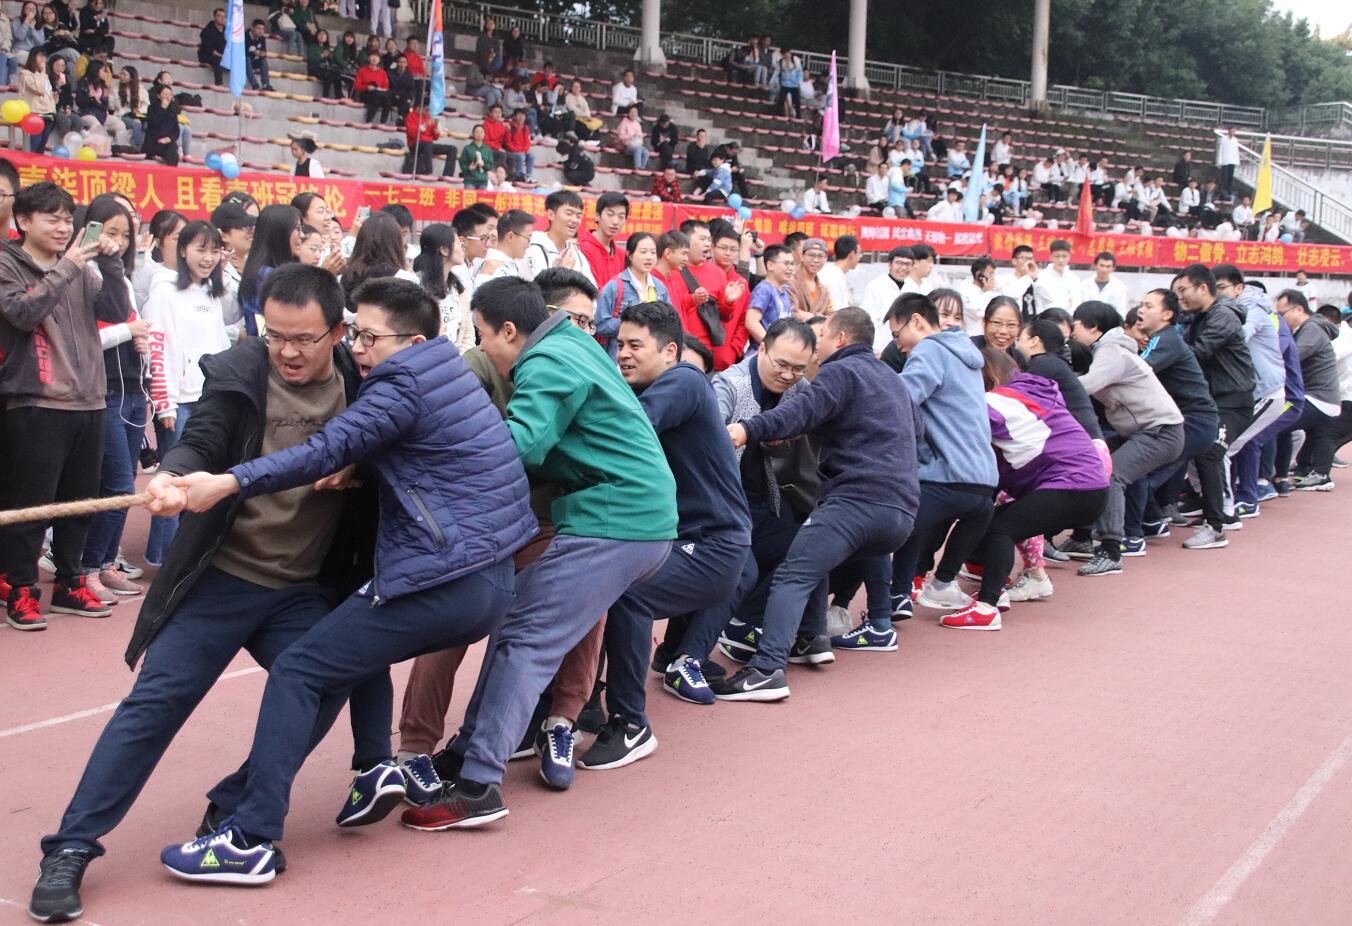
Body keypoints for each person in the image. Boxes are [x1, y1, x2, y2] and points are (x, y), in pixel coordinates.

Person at [25, 265, 398, 921]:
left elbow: (395, 448)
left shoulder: (363, 381)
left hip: (302, 588)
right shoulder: (241, 372)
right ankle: (71, 846)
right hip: (222, 578)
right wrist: (173, 476)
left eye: (304, 338)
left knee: (320, 686)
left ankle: (233, 805)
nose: (287, 351)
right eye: (276, 335)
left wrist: (358, 470)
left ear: (338, 333)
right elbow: (201, 439)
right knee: (153, 707)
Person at [154, 274, 536, 882]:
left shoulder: (400, 383)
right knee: (347, 654)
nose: (356, 347)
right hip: (486, 579)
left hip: (443, 579)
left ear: (411, 341)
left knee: (298, 671)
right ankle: (360, 769)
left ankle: (251, 838)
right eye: (355, 332)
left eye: (368, 337)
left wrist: (227, 482)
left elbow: (322, 449)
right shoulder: (448, 372)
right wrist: (360, 466)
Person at [401, 276, 675, 829]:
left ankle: (478, 786)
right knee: (515, 627)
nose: (481, 348)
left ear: (509, 329)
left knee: (525, 641)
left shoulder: (546, 361)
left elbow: (518, 445)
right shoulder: (572, 342)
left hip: (616, 520)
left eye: (482, 335)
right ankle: (465, 753)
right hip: (630, 516)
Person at [719, 308, 918, 699]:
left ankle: (767, 670)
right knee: (812, 549)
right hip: (903, 511)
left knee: (794, 572)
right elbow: (915, 433)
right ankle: (816, 637)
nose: (817, 344)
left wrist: (746, 429)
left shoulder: (840, 372)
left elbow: (800, 412)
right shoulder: (894, 381)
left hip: (857, 499)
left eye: (823, 334)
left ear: (840, 338)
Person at [583, 301, 751, 759]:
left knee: (628, 594)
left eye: (636, 345)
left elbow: (628, 429)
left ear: (670, 351)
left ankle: (631, 724)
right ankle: (582, 702)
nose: (623, 353)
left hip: (713, 546)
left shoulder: (686, 380)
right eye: (620, 344)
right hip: (679, 539)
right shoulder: (648, 388)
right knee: (593, 583)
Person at [0, 182, 123, 629]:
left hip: (90, 400)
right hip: (38, 401)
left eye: (68, 219)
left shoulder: (82, 266)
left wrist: (110, 263)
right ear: (23, 221)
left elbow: (116, 309)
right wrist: (69, 265)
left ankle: (71, 584)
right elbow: (21, 313)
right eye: (51, 218)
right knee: (31, 506)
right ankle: (21, 590)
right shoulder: (7, 263)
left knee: (79, 503)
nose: (62, 227)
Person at [873, 293, 998, 636]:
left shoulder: (929, 349)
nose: (897, 345)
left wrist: (865, 386)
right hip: (982, 480)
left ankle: (881, 614)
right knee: (914, 525)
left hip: (948, 473)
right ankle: (927, 587)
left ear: (916, 321)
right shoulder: (967, 355)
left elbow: (903, 398)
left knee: (883, 528)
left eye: (897, 334)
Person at [966, 347, 1110, 628]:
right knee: (1002, 519)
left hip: (1071, 483)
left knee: (1002, 529)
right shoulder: (1036, 392)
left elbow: (963, 426)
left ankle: (987, 606)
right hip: (1091, 482)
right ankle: (1005, 583)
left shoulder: (995, 401)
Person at [1071, 301, 1185, 575]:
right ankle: (1082, 537)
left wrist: (1047, 383)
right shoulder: (1109, 350)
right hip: (1147, 431)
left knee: (1111, 475)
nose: (1072, 333)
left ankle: (1111, 552)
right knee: (1090, 462)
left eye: (1075, 325)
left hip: (1160, 431)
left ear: (1092, 328)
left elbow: (1088, 385)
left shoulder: (1111, 351)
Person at [1127, 289, 1221, 550]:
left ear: (1167, 314)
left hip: (1193, 422)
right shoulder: (1162, 339)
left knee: (1133, 467)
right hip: (1186, 420)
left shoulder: (1165, 339)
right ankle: (1150, 522)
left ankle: (1132, 536)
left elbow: (1135, 373)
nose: (1141, 310)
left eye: (1148, 306)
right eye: (1140, 304)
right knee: (1136, 467)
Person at [1172, 263, 1255, 536]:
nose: (1180, 297)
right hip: (1213, 399)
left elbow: (1196, 353)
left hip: (1233, 401)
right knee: (1195, 449)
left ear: (1203, 288)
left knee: (1211, 451)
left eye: (1183, 290)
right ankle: (1211, 509)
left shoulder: (1223, 316)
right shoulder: (1200, 316)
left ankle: (1218, 523)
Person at [1274, 289, 1341, 491]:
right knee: (1280, 427)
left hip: (1317, 398)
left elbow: (1290, 358)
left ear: (1299, 309)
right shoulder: (1309, 328)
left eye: (1282, 314)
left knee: (1270, 425)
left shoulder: (1312, 329)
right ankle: (1283, 477)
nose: (1280, 319)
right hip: (1319, 398)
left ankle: (1266, 479)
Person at [594, 232, 668, 357]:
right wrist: (631, 322)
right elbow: (599, 325)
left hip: (651, 357)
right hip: (619, 357)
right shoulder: (615, 286)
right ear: (629, 255)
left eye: (653, 252)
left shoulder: (659, 288)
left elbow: (668, 321)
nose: (649, 257)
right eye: (643, 252)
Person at [239, 204, 301, 336]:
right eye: (297, 228)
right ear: (280, 233)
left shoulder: (263, 272)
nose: (301, 235)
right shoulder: (265, 276)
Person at [524, 190, 592, 284]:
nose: (575, 220)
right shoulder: (532, 249)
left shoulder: (578, 256)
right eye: (569, 213)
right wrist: (561, 273)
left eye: (578, 216)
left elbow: (590, 289)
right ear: (551, 215)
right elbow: (531, 289)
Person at [744, 244, 795, 346]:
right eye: (786, 263)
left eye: (792, 264)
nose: (790, 268)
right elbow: (751, 322)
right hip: (764, 351)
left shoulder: (784, 291)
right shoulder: (764, 290)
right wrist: (771, 345)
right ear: (770, 265)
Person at [403, 103, 457, 178]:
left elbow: (435, 137)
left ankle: (448, 175)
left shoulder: (428, 117)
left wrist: (436, 128)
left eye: (428, 110)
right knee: (427, 144)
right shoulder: (410, 116)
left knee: (452, 149)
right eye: (426, 110)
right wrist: (425, 125)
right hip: (415, 144)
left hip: (428, 144)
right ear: (419, 108)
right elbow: (412, 134)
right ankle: (429, 172)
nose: (427, 112)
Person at [789, 238, 833, 319]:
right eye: (811, 255)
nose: (816, 260)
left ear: (826, 259)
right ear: (802, 256)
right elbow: (791, 311)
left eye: (820, 256)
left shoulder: (824, 290)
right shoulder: (790, 282)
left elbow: (830, 315)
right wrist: (817, 318)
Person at [1033, 239, 1078, 313]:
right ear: (1050, 257)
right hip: (1046, 317)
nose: (1061, 260)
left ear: (1069, 256)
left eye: (1064, 256)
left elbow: (1076, 303)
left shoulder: (1074, 279)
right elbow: (1047, 302)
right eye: (1057, 256)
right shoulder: (1041, 277)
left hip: (1068, 318)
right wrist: (1066, 304)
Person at [1079, 251, 1128, 319]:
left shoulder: (1120, 287)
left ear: (1113, 268)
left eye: (1108, 266)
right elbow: (1080, 308)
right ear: (1095, 266)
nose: (1104, 269)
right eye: (1101, 265)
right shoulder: (1084, 285)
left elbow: (1121, 311)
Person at [816, 236, 859, 313]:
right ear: (852, 254)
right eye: (859, 254)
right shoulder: (835, 278)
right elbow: (836, 312)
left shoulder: (830, 272)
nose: (859, 258)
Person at [141, 84, 180, 166]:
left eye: (169, 94)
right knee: (171, 149)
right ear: (159, 96)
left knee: (172, 148)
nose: (167, 96)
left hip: (167, 143)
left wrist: (169, 138)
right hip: (154, 142)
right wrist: (162, 109)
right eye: (165, 94)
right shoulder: (152, 108)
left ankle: (171, 172)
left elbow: (176, 130)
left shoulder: (173, 110)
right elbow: (154, 124)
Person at [959, 258, 997, 335]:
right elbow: (979, 312)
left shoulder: (986, 292)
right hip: (972, 334)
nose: (992, 278)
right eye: (990, 273)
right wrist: (989, 292)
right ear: (978, 274)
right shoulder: (966, 291)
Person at [354, 50, 390, 124]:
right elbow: (357, 85)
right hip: (366, 94)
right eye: (372, 56)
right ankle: (369, 121)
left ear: (379, 60)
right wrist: (366, 87)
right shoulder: (362, 70)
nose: (374, 58)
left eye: (377, 57)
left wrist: (380, 89)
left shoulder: (383, 72)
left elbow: (386, 87)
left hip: (379, 94)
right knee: (375, 97)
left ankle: (383, 122)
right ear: (368, 58)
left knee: (387, 99)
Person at [504, 108, 534, 182]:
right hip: (510, 151)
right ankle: (518, 176)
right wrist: (518, 150)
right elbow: (507, 143)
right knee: (520, 156)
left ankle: (528, 176)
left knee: (531, 156)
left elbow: (527, 143)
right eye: (519, 115)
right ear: (514, 116)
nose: (521, 118)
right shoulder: (509, 126)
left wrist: (523, 150)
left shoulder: (526, 128)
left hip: (521, 150)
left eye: (523, 116)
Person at [458, 124, 493, 190]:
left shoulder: (487, 149)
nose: (479, 134)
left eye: (481, 132)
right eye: (477, 132)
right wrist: (469, 168)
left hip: (483, 180)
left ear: (484, 134)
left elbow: (490, 165)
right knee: (469, 196)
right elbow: (462, 163)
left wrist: (484, 164)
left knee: (481, 197)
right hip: (470, 180)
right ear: (473, 134)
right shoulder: (467, 148)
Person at [197, 7, 225, 86]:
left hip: (223, 55)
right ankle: (218, 84)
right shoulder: (207, 30)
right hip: (209, 55)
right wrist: (221, 55)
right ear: (215, 17)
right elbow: (208, 47)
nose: (222, 18)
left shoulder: (226, 30)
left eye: (223, 16)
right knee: (219, 60)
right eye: (220, 16)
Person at [245, 19, 273, 91]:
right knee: (246, 59)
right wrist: (254, 53)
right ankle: (254, 85)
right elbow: (241, 53)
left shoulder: (262, 38)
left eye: (263, 29)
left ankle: (266, 84)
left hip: (253, 61)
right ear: (252, 28)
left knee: (263, 61)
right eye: (259, 28)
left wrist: (262, 54)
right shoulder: (244, 36)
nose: (261, 31)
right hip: (242, 62)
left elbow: (264, 52)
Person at [1216, 127, 1239, 195]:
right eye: (1231, 131)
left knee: (1230, 176)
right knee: (1223, 176)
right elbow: (1221, 149)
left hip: (1232, 161)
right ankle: (1220, 189)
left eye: (1233, 131)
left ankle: (1229, 190)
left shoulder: (1235, 140)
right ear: (1228, 131)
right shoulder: (1224, 139)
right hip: (1225, 160)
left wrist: (1237, 161)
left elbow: (1236, 151)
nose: (1232, 133)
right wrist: (1220, 160)